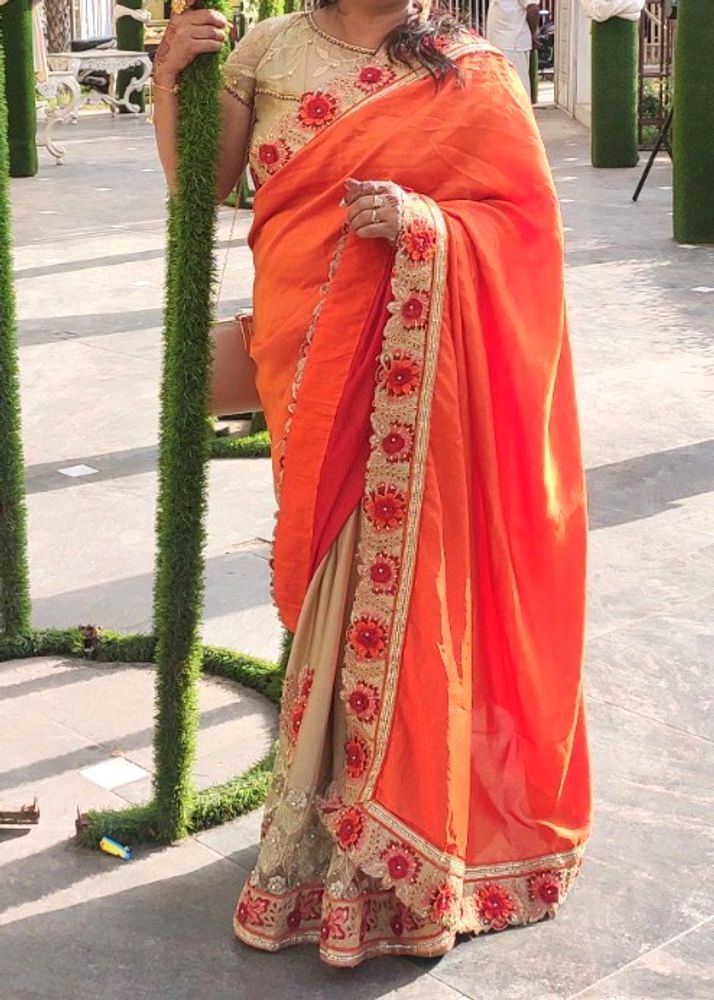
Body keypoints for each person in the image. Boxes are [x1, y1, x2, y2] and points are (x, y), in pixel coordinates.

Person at [153, 0, 591, 968]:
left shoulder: (468, 71)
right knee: (335, 590)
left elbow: (524, 238)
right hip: (303, 362)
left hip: (415, 368)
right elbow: (203, 187)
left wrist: (425, 226)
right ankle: (327, 836)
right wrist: (171, 84)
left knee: (404, 577)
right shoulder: (264, 53)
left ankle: (389, 855)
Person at [486, 0, 540, 94]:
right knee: (502, 89)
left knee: (516, 88)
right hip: (498, 43)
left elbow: (532, 8)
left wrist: (533, 35)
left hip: (513, 44)